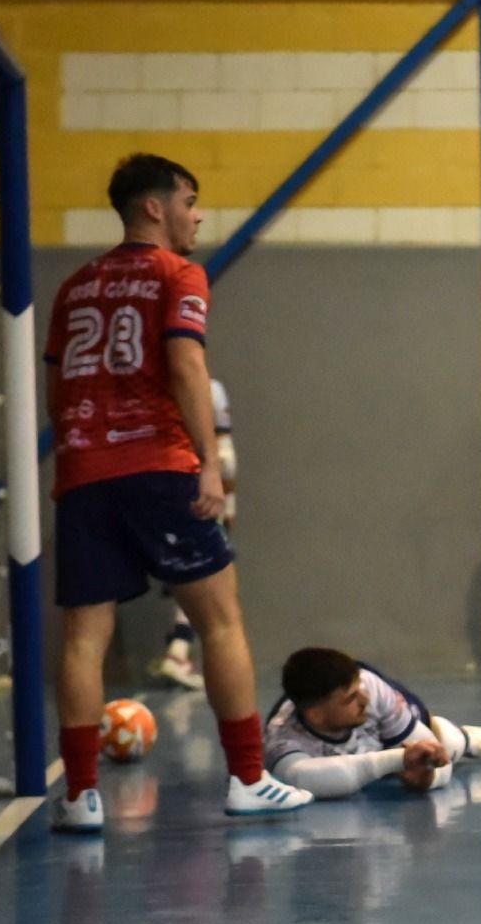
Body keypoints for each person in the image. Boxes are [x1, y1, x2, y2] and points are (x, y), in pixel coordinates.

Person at [44, 152, 310, 832]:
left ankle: (79, 797)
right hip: (157, 464)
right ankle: (248, 779)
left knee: (83, 637)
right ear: (155, 207)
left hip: (82, 471)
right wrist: (208, 466)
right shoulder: (177, 273)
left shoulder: (74, 287)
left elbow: (58, 385)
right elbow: (187, 361)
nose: (198, 216)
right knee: (220, 618)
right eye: (190, 201)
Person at [264, 646, 481, 798]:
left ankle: (467, 739)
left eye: (360, 688)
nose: (364, 700)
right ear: (315, 715)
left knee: (442, 741)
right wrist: (401, 761)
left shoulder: (370, 686)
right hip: (374, 752)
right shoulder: (282, 737)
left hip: (380, 736)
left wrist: (427, 777)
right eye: (350, 699)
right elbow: (304, 778)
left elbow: (433, 754)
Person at [151, 376, 236, 691]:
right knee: (207, 580)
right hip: (190, 489)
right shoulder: (208, 387)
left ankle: (179, 648)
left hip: (147, 489)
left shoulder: (138, 386)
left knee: (181, 576)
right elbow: (226, 459)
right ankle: (179, 653)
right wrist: (227, 505)